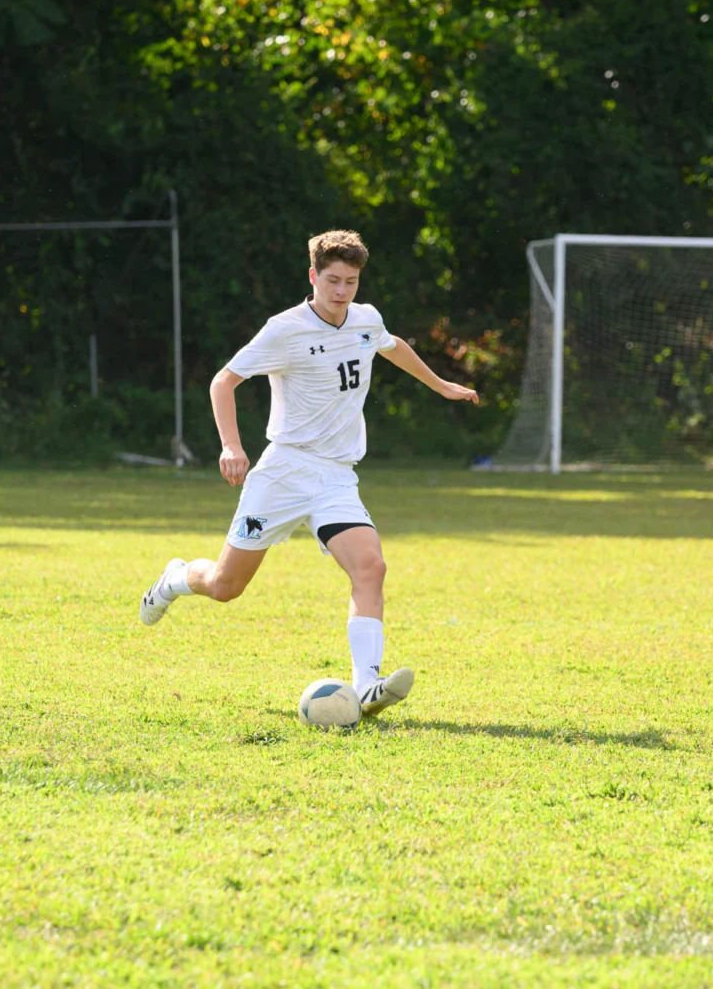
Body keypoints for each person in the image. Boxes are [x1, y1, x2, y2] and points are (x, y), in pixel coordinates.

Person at [139, 229, 479, 716]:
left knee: (371, 567)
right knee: (224, 587)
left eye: (352, 282)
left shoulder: (366, 319)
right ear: (313, 276)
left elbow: (390, 344)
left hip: (336, 476)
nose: (342, 292)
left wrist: (441, 384)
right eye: (333, 280)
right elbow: (223, 381)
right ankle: (174, 578)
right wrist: (231, 446)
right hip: (284, 473)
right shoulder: (285, 328)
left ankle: (366, 684)